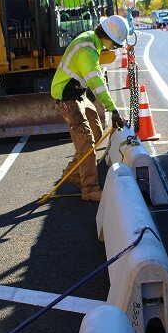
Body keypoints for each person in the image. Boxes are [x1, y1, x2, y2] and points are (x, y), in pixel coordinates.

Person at [51, 15, 128, 202]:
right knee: (86, 141)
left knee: (96, 130)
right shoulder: (87, 49)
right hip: (66, 97)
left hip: (78, 94)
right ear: (107, 36)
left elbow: (94, 79)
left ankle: (73, 174)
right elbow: (96, 82)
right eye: (115, 44)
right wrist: (113, 110)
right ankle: (90, 188)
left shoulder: (92, 42)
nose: (114, 48)